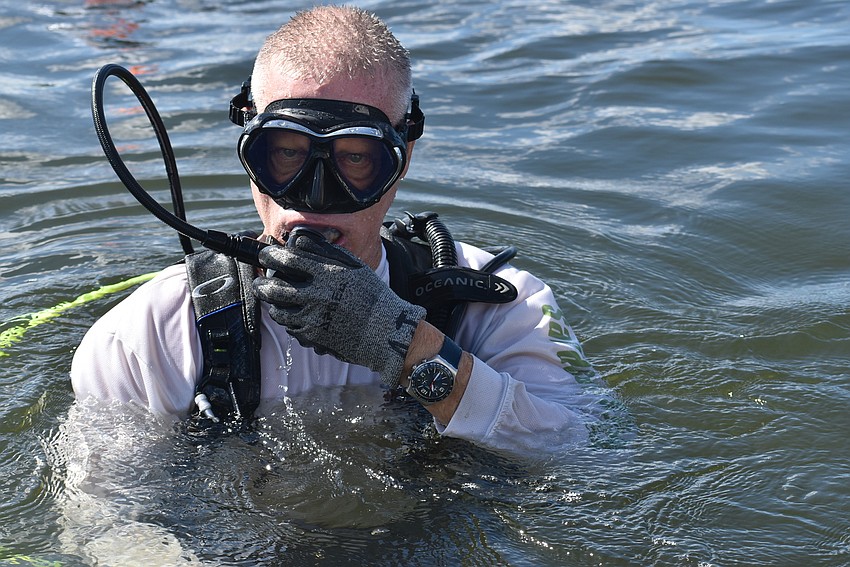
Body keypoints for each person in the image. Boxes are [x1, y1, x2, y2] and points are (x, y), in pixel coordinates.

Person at [71, 5, 606, 455]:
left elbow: (593, 453)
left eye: (354, 159)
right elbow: (110, 524)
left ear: (402, 157)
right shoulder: (146, 337)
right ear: (250, 153)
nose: (315, 199)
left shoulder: (501, 304)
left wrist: (408, 348)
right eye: (286, 154)